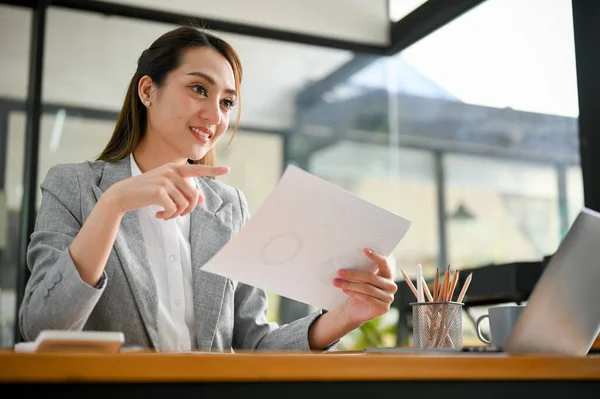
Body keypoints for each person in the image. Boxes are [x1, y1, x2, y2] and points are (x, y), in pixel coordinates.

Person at [18, 26, 398, 352]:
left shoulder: (229, 206)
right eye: (199, 89)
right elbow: (41, 325)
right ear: (148, 90)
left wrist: (347, 315)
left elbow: (255, 341)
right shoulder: (76, 186)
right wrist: (115, 203)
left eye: (227, 101)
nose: (216, 116)